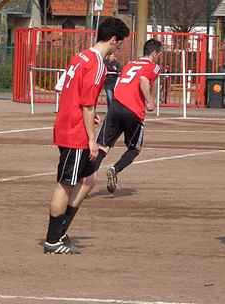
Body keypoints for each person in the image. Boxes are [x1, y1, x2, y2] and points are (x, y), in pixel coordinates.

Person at [43, 17, 130, 254]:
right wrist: (91, 138)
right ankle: (53, 240)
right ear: (113, 40)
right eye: (119, 44)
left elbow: (68, 90)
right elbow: (87, 105)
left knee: (89, 181)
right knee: (66, 185)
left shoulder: (81, 56)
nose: (117, 49)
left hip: (71, 123)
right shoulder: (97, 65)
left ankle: (60, 231)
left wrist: (86, 115)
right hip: (74, 132)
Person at [94, 39, 162, 194]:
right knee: (134, 148)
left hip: (116, 106)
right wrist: (149, 101)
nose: (159, 57)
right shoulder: (154, 67)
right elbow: (143, 81)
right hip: (133, 110)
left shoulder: (130, 64)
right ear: (154, 53)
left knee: (103, 147)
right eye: (159, 54)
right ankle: (114, 169)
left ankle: (84, 181)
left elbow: (119, 83)